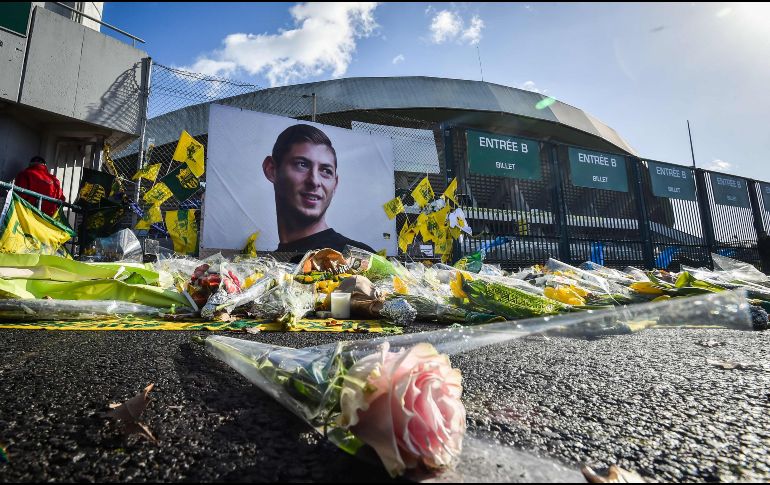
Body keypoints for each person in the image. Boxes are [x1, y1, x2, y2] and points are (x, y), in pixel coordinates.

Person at [262, 124, 375, 256]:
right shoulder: (266, 268)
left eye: (326, 171)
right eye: (302, 164)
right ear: (271, 170)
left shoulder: (359, 259)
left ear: (335, 183)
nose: (314, 181)